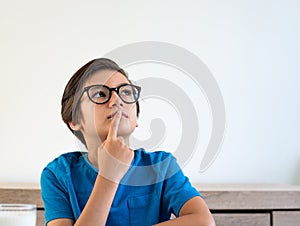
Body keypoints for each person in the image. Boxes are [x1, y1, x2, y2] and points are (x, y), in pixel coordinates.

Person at [40, 58, 215, 226]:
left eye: (126, 92)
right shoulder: (58, 175)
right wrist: (109, 175)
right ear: (74, 119)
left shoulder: (161, 166)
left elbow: (204, 222)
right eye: (100, 94)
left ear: (136, 117)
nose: (117, 100)